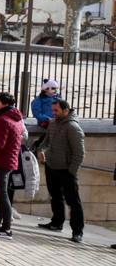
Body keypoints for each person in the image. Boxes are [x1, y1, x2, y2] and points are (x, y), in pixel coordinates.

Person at [37, 99, 85, 243]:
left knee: (73, 201)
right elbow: (46, 142)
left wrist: (71, 171)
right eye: (53, 110)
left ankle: (77, 231)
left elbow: (79, 153)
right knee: (55, 196)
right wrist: (41, 150)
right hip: (51, 166)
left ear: (66, 110)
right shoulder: (52, 123)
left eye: (56, 111)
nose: (53, 113)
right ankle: (56, 223)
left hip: (66, 170)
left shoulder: (73, 127)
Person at [0, 92, 24, 238]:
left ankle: (6, 228)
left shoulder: (3, 120)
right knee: (2, 193)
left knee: (2, 195)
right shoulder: (15, 118)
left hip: (2, 161)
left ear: (5, 104)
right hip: (9, 160)